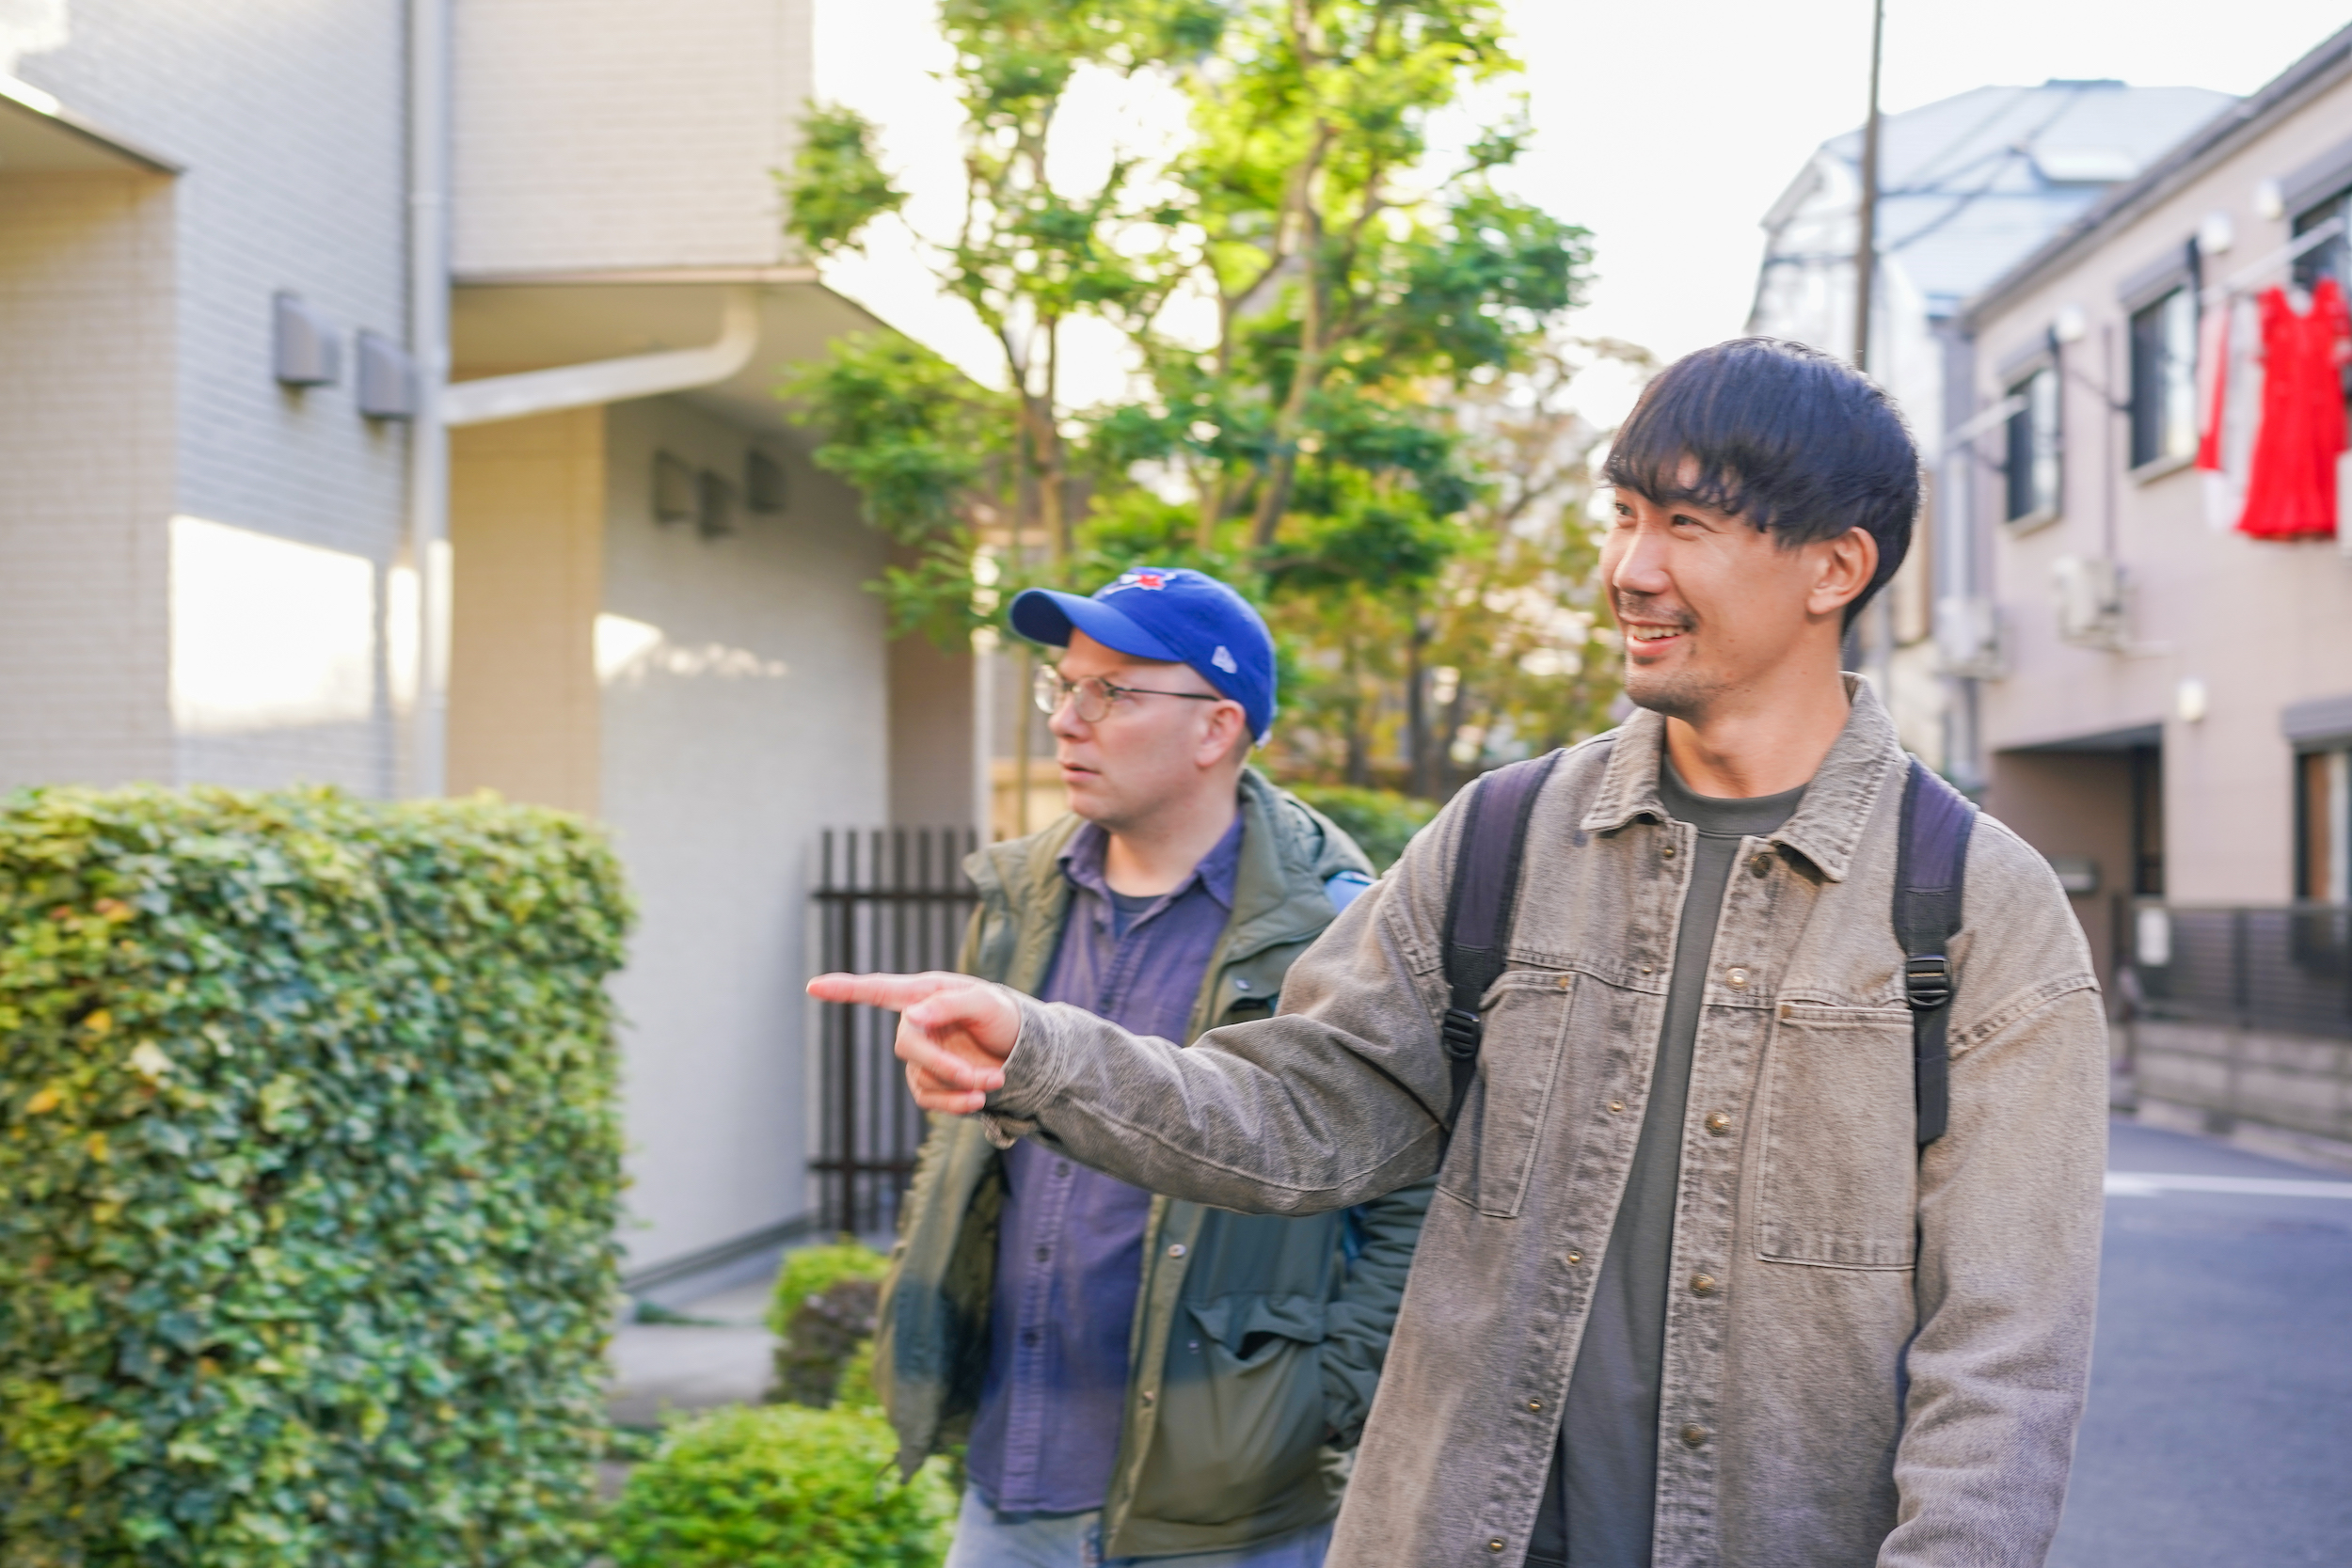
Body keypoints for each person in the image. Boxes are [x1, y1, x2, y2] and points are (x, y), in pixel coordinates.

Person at [823, 340, 2108, 1568]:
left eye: (1686, 526)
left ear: (1836, 566)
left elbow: (2001, 1361)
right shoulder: (1507, 833)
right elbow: (1299, 1108)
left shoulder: (1978, 905)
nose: (1631, 567)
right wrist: (1042, 1048)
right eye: (1621, 515)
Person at [873, 565, 1433, 1568]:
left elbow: (1414, 1193)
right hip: (1013, 1477)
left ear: (1216, 728)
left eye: (1112, 691)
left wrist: (1319, 1401)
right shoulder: (1018, 897)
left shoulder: (1336, 922)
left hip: (1224, 1504)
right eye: (1063, 684)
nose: (1066, 721)